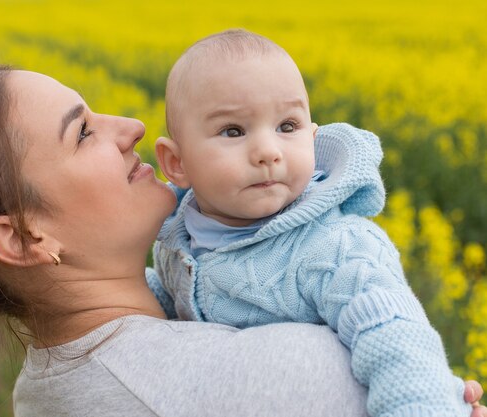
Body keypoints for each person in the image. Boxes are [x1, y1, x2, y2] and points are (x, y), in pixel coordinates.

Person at [0, 66, 484, 417]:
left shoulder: (45, 386)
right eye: (81, 133)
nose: (131, 127)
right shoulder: (297, 372)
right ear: (25, 237)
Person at [153, 29, 475, 417]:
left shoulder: (336, 247)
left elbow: (397, 340)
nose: (268, 152)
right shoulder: (176, 239)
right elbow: (167, 303)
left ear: (312, 135)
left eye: (287, 126)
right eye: (233, 131)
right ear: (177, 163)